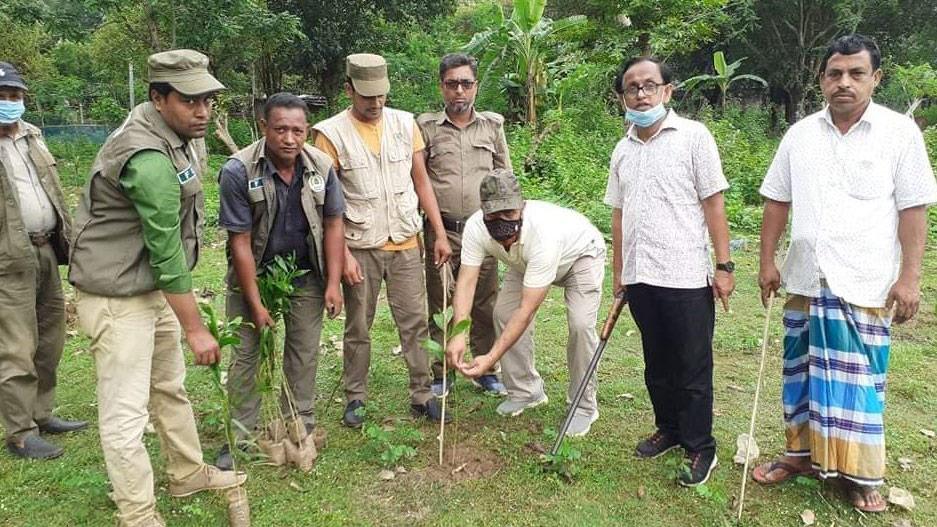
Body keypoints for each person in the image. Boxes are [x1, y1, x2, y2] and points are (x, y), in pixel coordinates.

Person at [754, 34, 937, 513]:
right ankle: (799, 455)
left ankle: (860, 475)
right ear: (822, 80)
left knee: (861, 382)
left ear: (875, 78)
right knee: (801, 374)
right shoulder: (799, 135)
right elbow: (777, 199)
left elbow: (913, 210)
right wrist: (766, 260)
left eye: (856, 73)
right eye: (835, 73)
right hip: (805, 278)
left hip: (866, 278)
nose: (844, 83)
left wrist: (910, 278)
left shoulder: (900, 134)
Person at [69, 50, 245, 527]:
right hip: (116, 296)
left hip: (152, 288)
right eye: (190, 101)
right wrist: (196, 328)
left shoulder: (179, 133)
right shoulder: (145, 156)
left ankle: (187, 472)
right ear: (157, 98)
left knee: (169, 386)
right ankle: (138, 514)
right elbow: (165, 248)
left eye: (208, 100)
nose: (203, 111)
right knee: (126, 412)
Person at [604, 56, 733, 487]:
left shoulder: (694, 137)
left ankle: (700, 446)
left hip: (685, 275)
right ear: (623, 96)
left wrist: (724, 265)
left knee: (692, 366)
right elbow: (619, 217)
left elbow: (714, 203)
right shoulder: (623, 149)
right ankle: (670, 429)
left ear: (667, 90)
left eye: (648, 85)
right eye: (631, 87)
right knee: (656, 363)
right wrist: (619, 273)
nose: (640, 93)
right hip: (641, 275)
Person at [312, 53, 452, 428]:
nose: (375, 104)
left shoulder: (406, 124)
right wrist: (343, 256)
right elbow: (328, 204)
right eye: (366, 96)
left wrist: (438, 233)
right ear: (348, 89)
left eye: (381, 96)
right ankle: (355, 396)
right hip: (360, 245)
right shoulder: (329, 134)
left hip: (406, 240)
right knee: (358, 325)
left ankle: (422, 394)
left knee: (415, 323)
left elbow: (421, 181)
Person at [214, 92, 345, 470]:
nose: (289, 139)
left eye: (297, 131)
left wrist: (333, 282)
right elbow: (239, 242)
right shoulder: (238, 171)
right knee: (246, 356)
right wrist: (254, 304)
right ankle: (240, 435)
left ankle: (298, 426)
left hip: (305, 276)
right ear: (264, 128)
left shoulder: (321, 166)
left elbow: (335, 223)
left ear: (307, 132)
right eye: (280, 129)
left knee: (303, 353)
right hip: (252, 276)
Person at [447, 169, 606, 437]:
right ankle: (525, 391)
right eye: (494, 216)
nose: (501, 222)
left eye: (509, 214)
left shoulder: (544, 233)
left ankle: (583, 406)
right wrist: (459, 332)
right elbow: (466, 281)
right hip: (524, 262)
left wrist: (491, 357)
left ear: (522, 206)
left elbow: (527, 310)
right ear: (483, 211)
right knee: (503, 313)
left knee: (580, 325)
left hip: (580, 256)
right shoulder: (476, 228)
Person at [0, 61, 87, 460]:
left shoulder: (33, 136)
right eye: (2, 97)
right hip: (7, 260)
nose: (8, 103)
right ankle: (19, 432)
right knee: (16, 346)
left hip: (46, 248)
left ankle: (41, 412)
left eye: (14, 96)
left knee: (50, 340)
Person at [417, 52, 510, 397]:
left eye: (466, 84)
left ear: (476, 86)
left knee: (484, 303)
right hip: (442, 231)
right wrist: (434, 230)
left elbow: (504, 177)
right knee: (441, 300)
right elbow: (419, 179)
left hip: (483, 232)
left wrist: (505, 227)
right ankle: (442, 372)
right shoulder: (426, 128)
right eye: (452, 84)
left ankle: (485, 367)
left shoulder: (492, 126)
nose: (459, 91)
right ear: (442, 87)